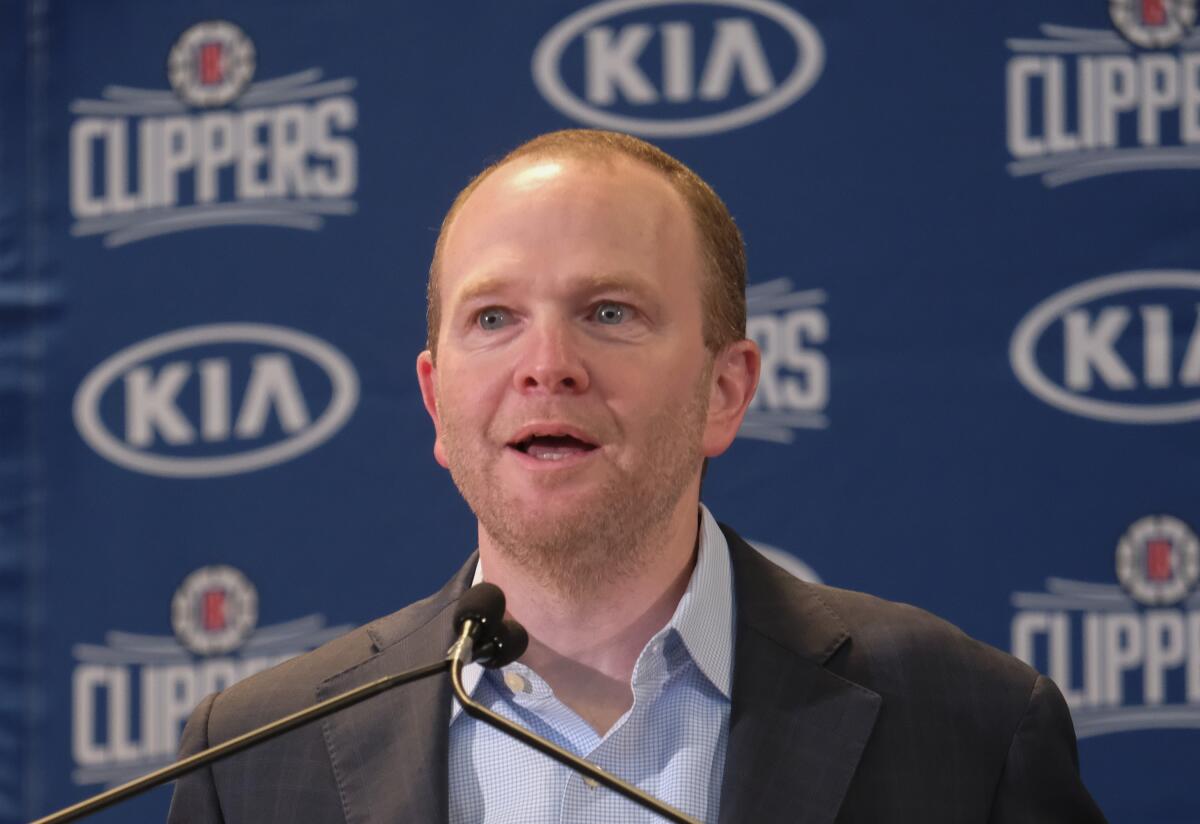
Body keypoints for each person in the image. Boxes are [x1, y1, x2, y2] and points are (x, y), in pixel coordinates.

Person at [168, 130, 1106, 823]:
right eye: (493, 319)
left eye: (609, 311)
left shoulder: (966, 726)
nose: (548, 365)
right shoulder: (256, 758)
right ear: (435, 400)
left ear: (725, 390)